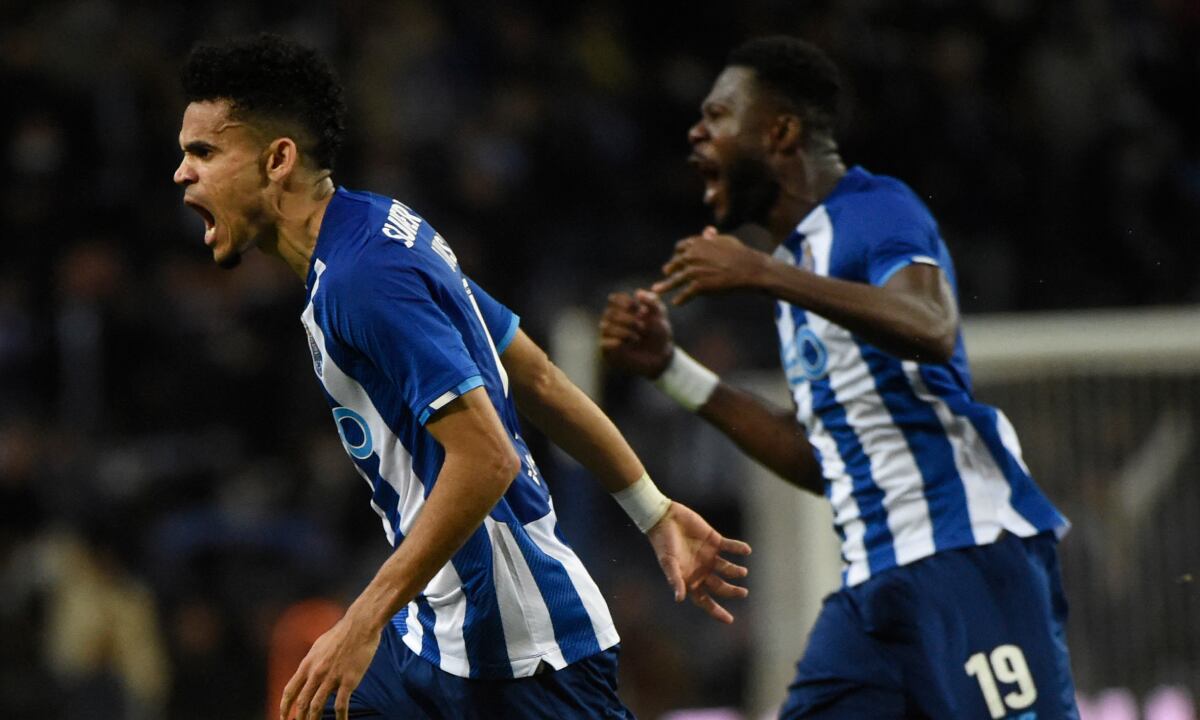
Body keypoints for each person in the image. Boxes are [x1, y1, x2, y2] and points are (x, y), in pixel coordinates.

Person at [172, 34, 752, 720]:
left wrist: (361, 621)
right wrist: (653, 511)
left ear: (278, 160)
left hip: (522, 658)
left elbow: (487, 458)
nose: (182, 174)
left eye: (203, 152)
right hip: (437, 640)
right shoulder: (378, 231)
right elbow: (533, 372)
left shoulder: (365, 280)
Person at [600, 36, 1079, 719]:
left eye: (718, 114)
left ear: (781, 130)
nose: (696, 131)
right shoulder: (799, 271)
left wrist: (763, 274)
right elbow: (825, 457)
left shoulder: (873, 209)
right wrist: (670, 369)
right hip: (872, 599)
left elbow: (932, 324)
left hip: (963, 555)